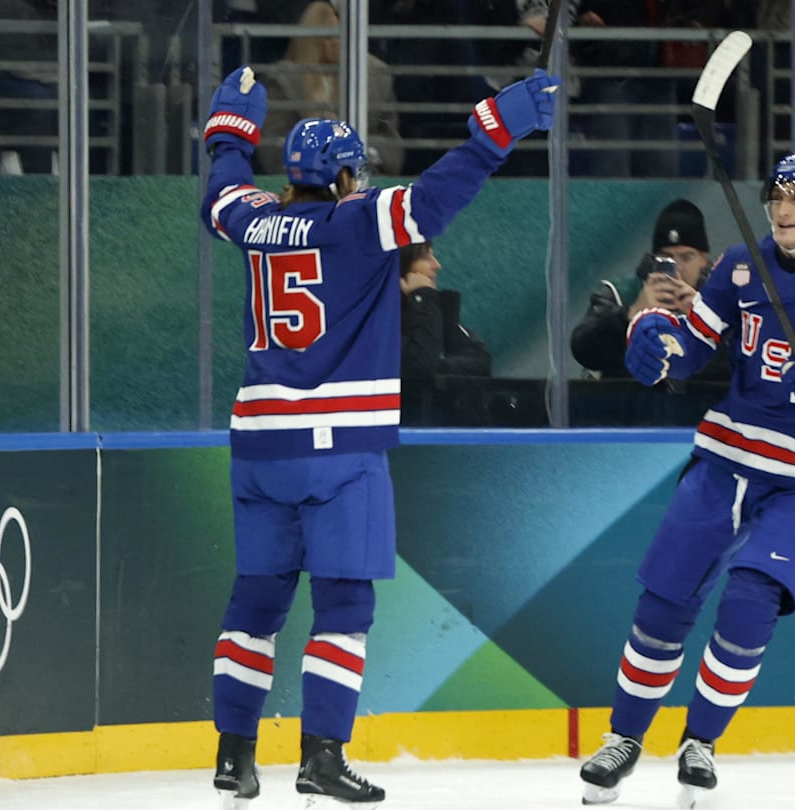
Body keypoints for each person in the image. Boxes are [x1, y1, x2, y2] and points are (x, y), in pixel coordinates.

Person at [201, 62, 557, 806]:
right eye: (355, 176)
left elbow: (220, 190)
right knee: (345, 607)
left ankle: (233, 758)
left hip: (260, 447)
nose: (361, 186)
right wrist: (496, 132)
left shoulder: (255, 218)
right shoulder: (355, 225)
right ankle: (320, 757)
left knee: (255, 604)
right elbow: (433, 202)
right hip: (338, 452)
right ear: (339, 180)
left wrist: (229, 131)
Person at [577, 154, 795, 805]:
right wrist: (651, 337)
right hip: (729, 455)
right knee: (663, 604)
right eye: (778, 194)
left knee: (749, 602)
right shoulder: (739, 265)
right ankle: (623, 737)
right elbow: (694, 342)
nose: (784, 208)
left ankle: (699, 742)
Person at [570, 199, 726, 382]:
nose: (678, 268)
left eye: (686, 257)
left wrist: (703, 318)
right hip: (625, 405)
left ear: (703, 259)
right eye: (666, 258)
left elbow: (744, 364)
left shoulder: (720, 297)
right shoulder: (620, 293)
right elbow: (583, 350)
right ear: (653, 258)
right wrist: (631, 314)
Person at [256, 1, 405, 176]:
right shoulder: (282, 82)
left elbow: (391, 146)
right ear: (311, 39)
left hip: (363, 178)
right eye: (329, 36)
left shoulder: (376, 78)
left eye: (341, 34)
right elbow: (273, 148)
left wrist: (355, 152)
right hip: (304, 183)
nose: (336, 42)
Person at [400, 241, 491, 380]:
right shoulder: (377, 319)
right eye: (425, 258)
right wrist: (422, 296)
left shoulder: (431, 308)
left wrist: (437, 367)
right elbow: (418, 367)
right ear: (401, 266)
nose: (437, 265)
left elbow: (480, 362)